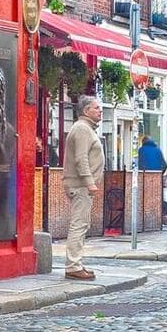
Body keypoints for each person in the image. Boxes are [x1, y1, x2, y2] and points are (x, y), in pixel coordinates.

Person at [61, 96, 104, 282]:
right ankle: (73, 266)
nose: (100, 111)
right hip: (80, 186)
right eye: (96, 108)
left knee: (82, 224)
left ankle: (76, 263)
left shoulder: (85, 129)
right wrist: (90, 182)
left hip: (81, 186)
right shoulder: (82, 129)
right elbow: (81, 158)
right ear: (86, 111)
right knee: (79, 224)